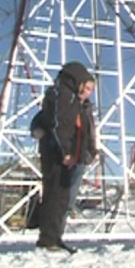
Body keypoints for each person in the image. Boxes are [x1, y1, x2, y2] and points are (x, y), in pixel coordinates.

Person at [30, 62, 95, 252]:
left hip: (77, 156)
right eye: (88, 88)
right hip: (63, 155)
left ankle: (54, 236)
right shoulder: (64, 97)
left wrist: (90, 152)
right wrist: (66, 151)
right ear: (79, 83)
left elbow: (88, 131)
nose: (89, 93)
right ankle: (51, 238)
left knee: (65, 199)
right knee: (58, 196)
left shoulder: (82, 106)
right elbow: (59, 124)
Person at [65, 87, 99, 219]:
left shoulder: (87, 109)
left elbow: (91, 132)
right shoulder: (64, 104)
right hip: (66, 150)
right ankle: (65, 206)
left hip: (81, 151)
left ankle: (68, 206)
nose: (88, 92)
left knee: (77, 175)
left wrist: (92, 150)